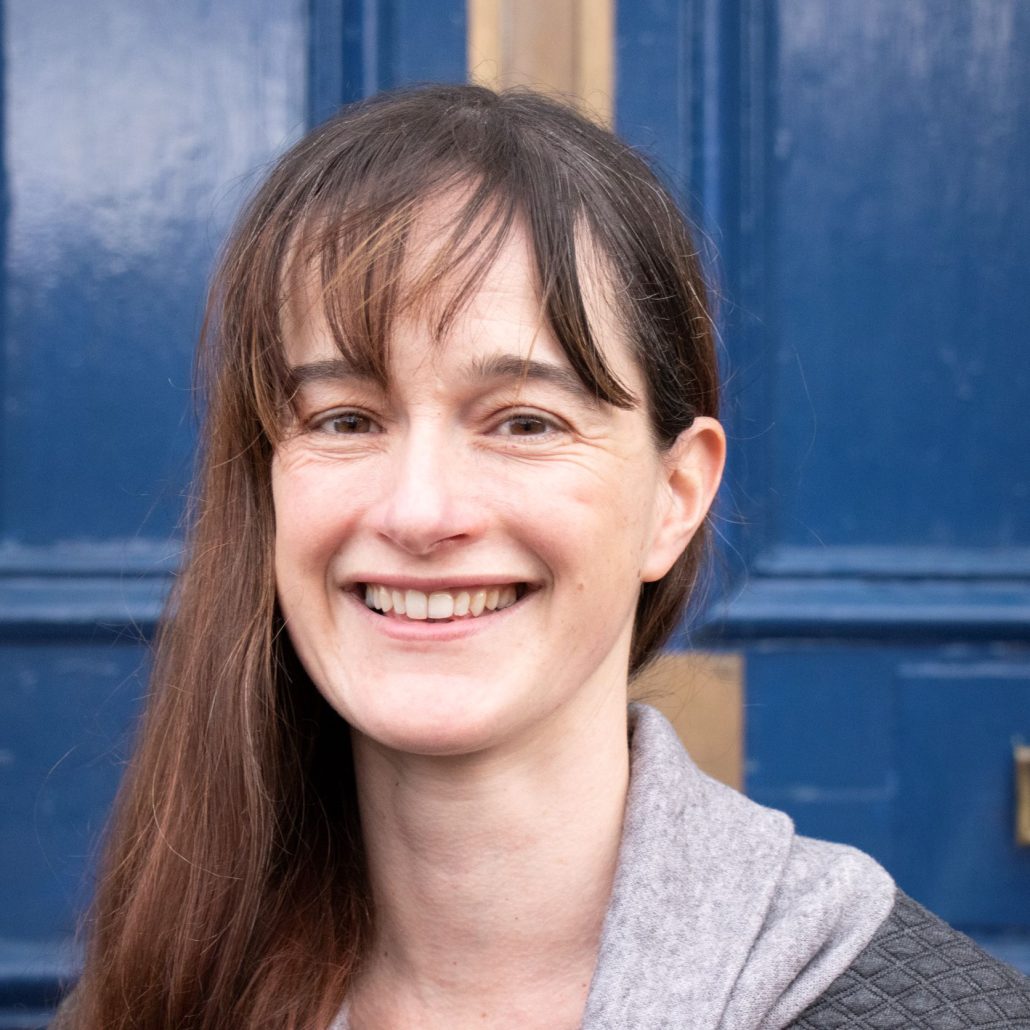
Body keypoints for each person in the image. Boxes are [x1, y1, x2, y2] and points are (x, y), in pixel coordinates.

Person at [55, 85, 1029, 1030]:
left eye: (524, 421)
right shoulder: (162, 984)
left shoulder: (923, 1009)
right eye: (346, 418)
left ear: (675, 496)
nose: (421, 509)